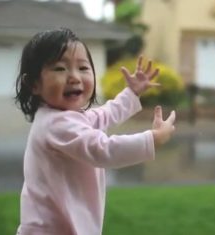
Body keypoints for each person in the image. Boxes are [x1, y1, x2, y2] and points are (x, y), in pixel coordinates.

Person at [14, 28, 176, 235]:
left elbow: (103, 115)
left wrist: (131, 93)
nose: (74, 77)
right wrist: (153, 139)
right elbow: (103, 149)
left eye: (82, 67)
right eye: (60, 69)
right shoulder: (56, 125)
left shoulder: (66, 118)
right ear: (34, 84)